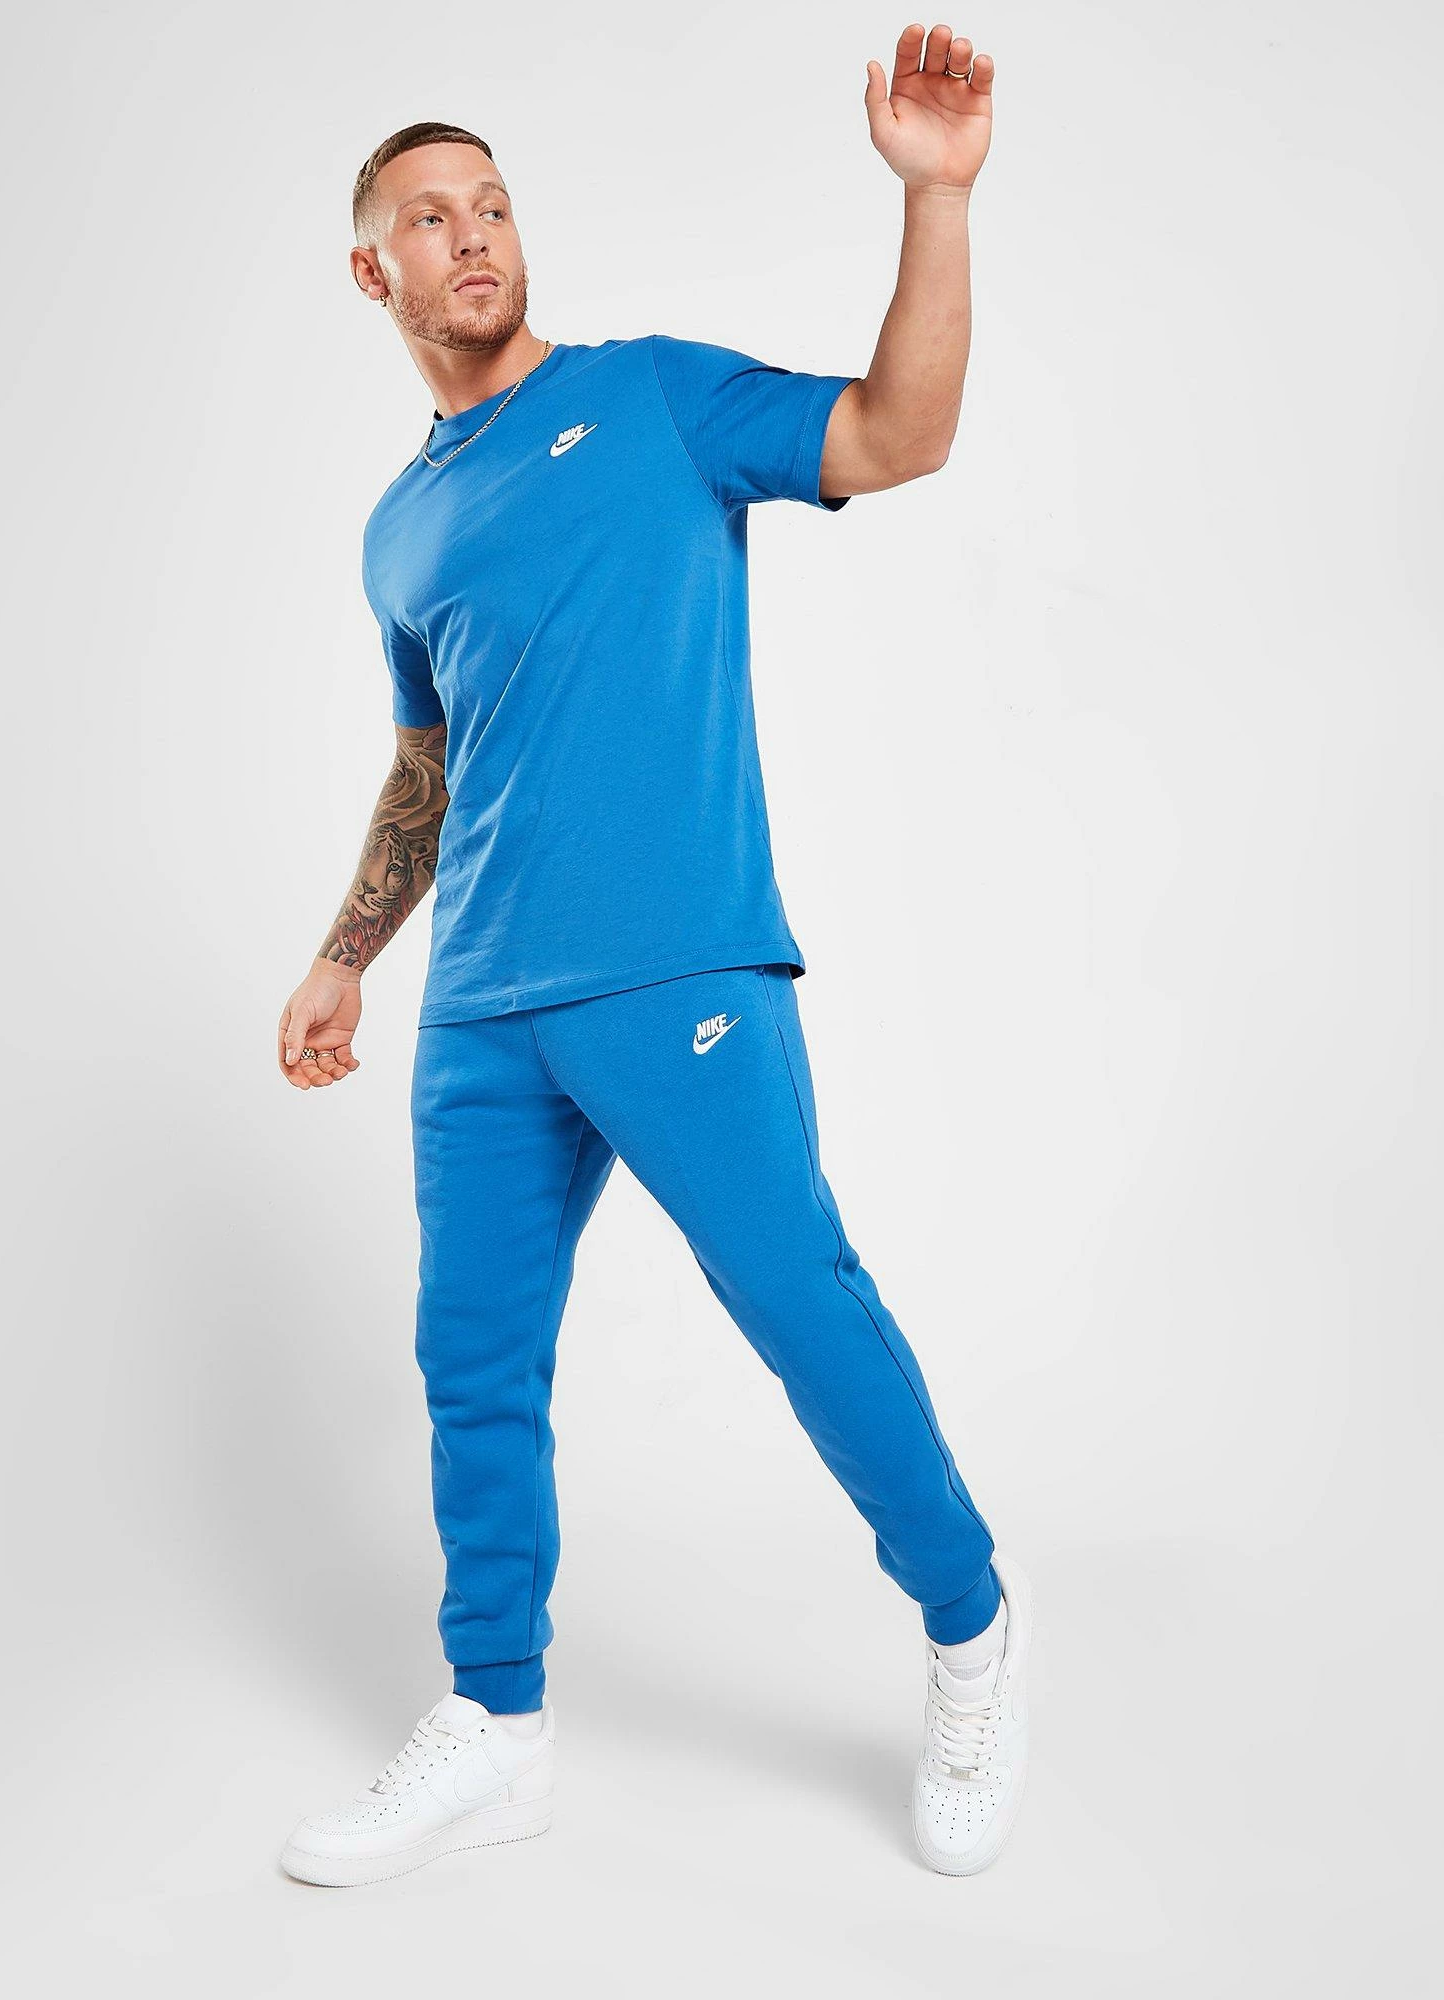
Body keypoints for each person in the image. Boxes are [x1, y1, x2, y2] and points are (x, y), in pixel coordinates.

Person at [276, 21, 1031, 1889]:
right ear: (370, 271)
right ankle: (496, 1725)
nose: (472, 233)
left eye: (492, 203)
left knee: (797, 1304)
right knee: (471, 1365)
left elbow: (900, 434)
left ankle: (971, 1635)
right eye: (429, 216)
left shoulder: (655, 402)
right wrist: (348, 954)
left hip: (675, 966)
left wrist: (935, 199)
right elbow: (431, 761)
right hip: (479, 1001)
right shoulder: (399, 528)